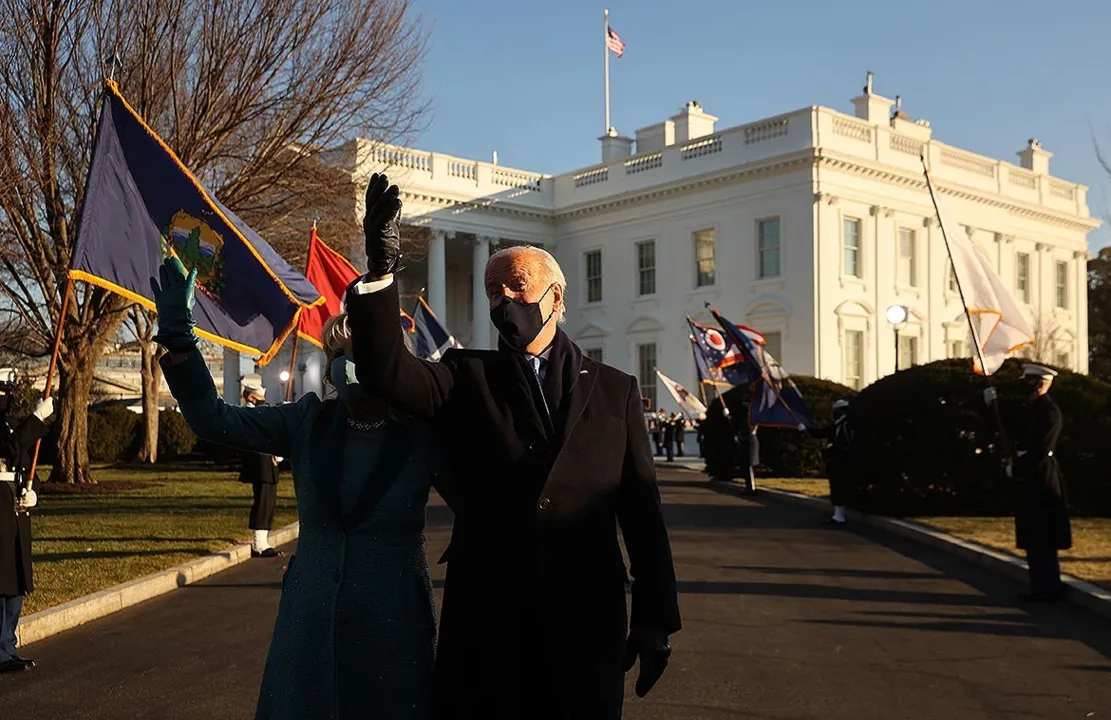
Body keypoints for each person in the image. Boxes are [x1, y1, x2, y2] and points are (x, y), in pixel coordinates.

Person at [346, 172, 681, 720]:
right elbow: (387, 372)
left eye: (516, 286)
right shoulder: (465, 376)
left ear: (556, 295)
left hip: (584, 620)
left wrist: (654, 621)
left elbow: (643, 516)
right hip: (489, 619)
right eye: (492, 291)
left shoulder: (616, 390)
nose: (503, 301)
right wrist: (382, 276)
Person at [150, 257, 445, 719]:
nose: (344, 366)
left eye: (357, 354)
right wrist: (180, 341)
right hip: (309, 630)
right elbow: (214, 419)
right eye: (335, 357)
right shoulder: (307, 420)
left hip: (394, 631)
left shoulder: (425, 430)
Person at [984, 363, 1070, 602]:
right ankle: (1040, 585)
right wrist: (992, 406)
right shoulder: (1030, 409)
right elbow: (1008, 428)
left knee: (1043, 535)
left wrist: (1020, 466)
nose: (1025, 387)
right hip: (1030, 475)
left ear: (1041, 384)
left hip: (1041, 476)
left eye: (1029, 382)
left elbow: (1042, 449)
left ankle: (1048, 588)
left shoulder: (1050, 412)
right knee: (1034, 535)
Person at [0, 371, 54, 673]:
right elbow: (10, 447)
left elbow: (18, 451)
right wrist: (36, 419)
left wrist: (28, 490)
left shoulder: (8, 425)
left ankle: (8, 647)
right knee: (0, 582)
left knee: (16, 583)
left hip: (13, 506)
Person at [238, 383, 283, 559]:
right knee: (262, 502)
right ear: (250, 397)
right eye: (259, 399)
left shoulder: (259, 412)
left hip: (268, 462)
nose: (262, 402)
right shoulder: (247, 413)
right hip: (259, 463)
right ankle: (258, 544)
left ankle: (264, 542)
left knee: (269, 503)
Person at [812, 399, 854, 525]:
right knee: (836, 487)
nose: (834, 412)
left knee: (840, 487)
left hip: (843, 461)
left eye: (837, 410)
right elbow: (823, 433)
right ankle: (838, 514)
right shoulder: (838, 425)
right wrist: (805, 429)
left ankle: (840, 516)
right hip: (837, 461)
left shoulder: (847, 425)